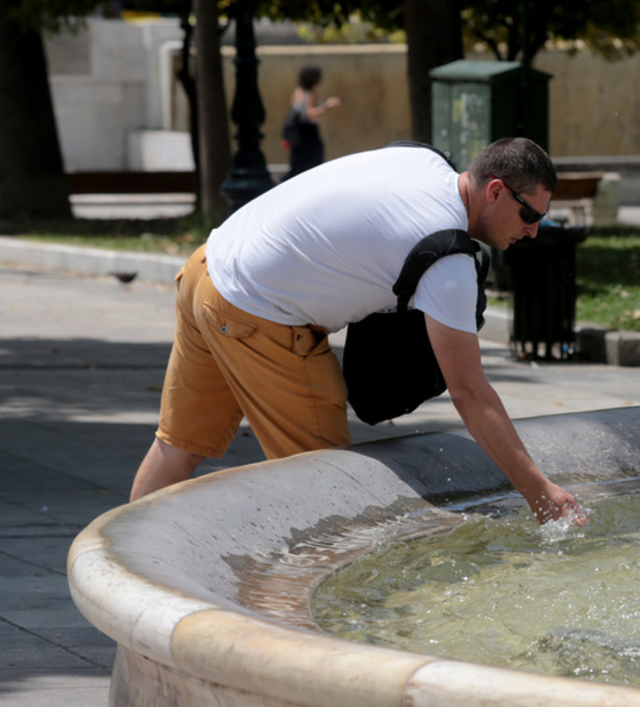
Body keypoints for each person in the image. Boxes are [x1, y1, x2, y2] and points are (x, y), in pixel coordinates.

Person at [130, 137, 587, 525]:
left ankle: (126, 593)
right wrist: (539, 490)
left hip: (208, 266)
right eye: (530, 216)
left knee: (177, 448)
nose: (533, 232)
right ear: (495, 192)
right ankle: (299, 625)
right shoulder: (448, 262)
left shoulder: (423, 160)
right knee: (330, 492)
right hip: (253, 312)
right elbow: (469, 392)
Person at [282, 65, 341, 180]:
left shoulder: (298, 90)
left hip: (299, 132)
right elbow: (310, 113)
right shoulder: (310, 93)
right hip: (308, 132)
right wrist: (328, 105)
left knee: (298, 165)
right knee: (314, 164)